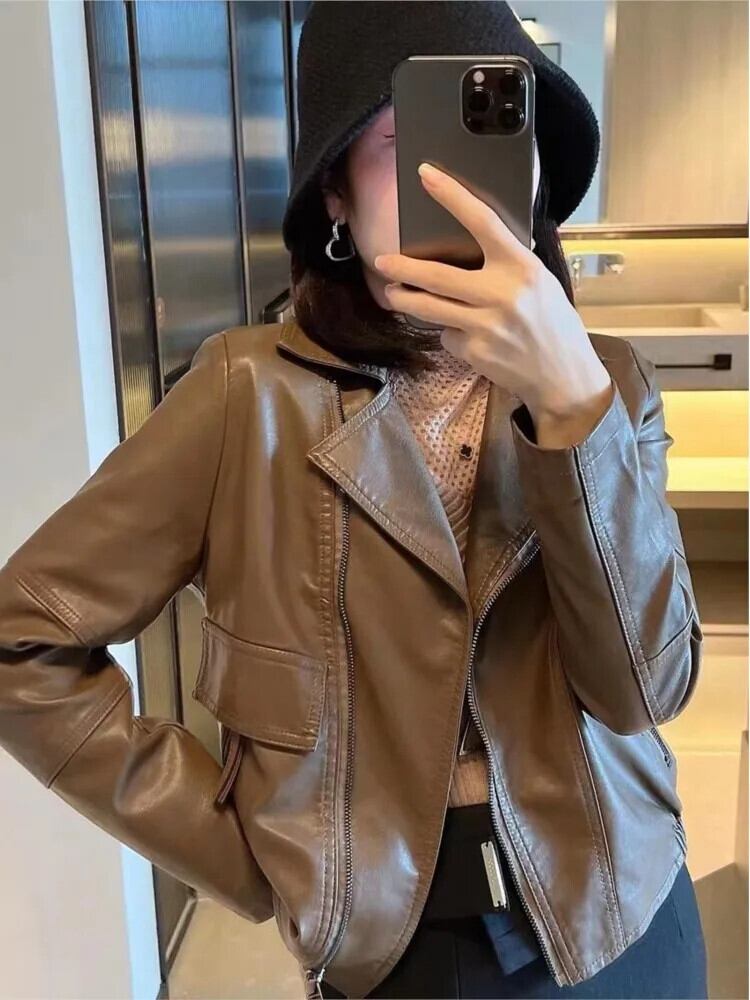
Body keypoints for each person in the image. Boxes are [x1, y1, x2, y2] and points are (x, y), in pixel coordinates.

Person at [0, 3, 707, 999]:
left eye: (492, 132)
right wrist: (253, 850)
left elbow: (644, 693)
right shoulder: (246, 396)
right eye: (407, 140)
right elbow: (23, 640)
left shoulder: (610, 384)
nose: (455, 181)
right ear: (334, 190)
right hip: (401, 954)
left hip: (625, 913)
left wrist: (570, 405)